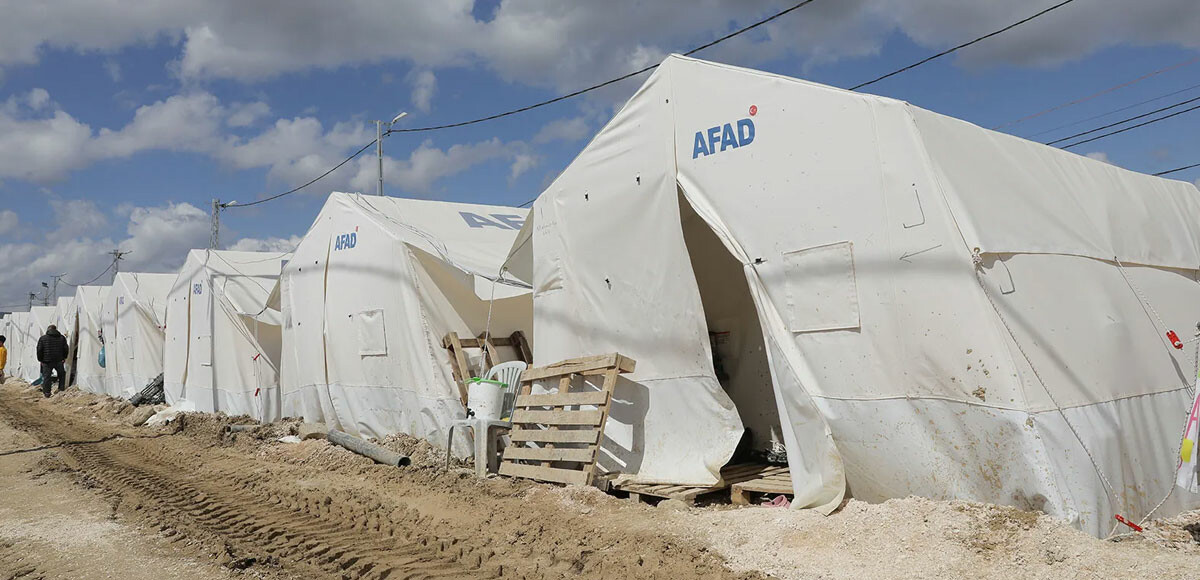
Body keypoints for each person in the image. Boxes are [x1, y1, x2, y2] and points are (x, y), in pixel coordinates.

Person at [37, 325, 69, 398]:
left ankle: (47, 392)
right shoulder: (62, 338)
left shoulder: (43, 338)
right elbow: (66, 348)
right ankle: (61, 389)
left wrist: (40, 359)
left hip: (46, 361)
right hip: (59, 360)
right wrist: (64, 357)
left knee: (47, 377)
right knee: (61, 375)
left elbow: (39, 350)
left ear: (48, 330)